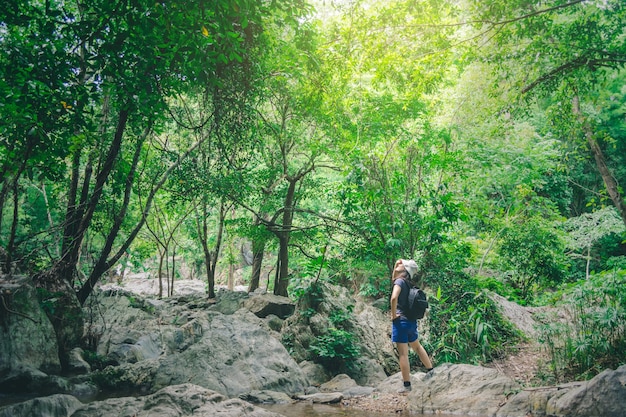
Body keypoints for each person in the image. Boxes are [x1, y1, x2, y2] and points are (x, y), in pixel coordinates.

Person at [390, 258, 433, 393]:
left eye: (402, 265)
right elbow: (394, 278)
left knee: (403, 354)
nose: (399, 265)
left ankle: (407, 386)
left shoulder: (399, 282)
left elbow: (393, 298)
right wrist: (397, 264)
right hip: (411, 321)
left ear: (405, 270)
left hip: (400, 321)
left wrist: (393, 315)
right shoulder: (408, 283)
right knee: (417, 347)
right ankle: (431, 372)